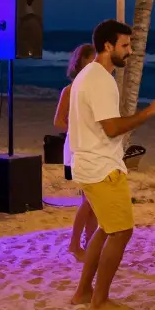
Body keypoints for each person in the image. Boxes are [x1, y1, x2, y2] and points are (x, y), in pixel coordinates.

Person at [69, 20, 155, 310]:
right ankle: (99, 299)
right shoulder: (100, 79)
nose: (130, 51)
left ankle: (84, 293)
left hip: (91, 164)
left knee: (106, 228)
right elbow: (112, 128)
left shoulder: (89, 75)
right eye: (125, 45)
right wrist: (150, 111)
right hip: (101, 168)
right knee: (121, 231)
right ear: (107, 46)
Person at [54, 43, 98, 261]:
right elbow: (59, 121)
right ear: (81, 62)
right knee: (90, 200)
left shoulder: (95, 88)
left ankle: (90, 244)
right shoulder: (70, 90)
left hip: (93, 148)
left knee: (92, 202)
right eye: (91, 60)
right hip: (77, 147)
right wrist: (78, 127)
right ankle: (74, 244)